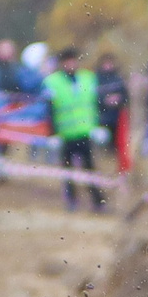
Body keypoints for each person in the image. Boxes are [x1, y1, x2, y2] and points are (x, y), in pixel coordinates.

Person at [45, 46, 106, 210]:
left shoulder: (88, 78)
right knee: (68, 172)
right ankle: (71, 201)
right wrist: (52, 133)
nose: (71, 64)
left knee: (90, 169)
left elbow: (96, 103)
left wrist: (99, 126)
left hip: (85, 132)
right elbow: (49, 110)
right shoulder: (52, 82)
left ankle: (98, 202)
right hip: (65, 134)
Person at [94, 52, 131, 167]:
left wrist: (119, 99)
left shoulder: (118, 78)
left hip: (117, 116)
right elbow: (94, 97)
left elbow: (126, 96)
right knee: (104, 145)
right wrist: (105, 101)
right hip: (103, 117)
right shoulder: (96, 79)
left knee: (118, 145)